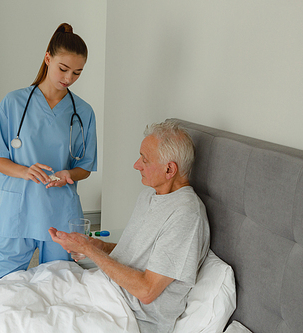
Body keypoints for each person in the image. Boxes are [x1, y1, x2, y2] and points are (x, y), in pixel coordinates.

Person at [49, 120, 210, 333]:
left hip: (128, 314)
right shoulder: (150, 195)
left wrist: (89, 251)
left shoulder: (186, 215)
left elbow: (147, 291)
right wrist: (98, 246)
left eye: (145, 159)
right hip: (105, 289)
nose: (136, 164)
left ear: (169, 169)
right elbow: (139, 254)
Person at [0, 23, 97, 280]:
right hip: (18, 208)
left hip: (60, 211)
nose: (68, 78)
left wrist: (68, 173)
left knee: (59, 283)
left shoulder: (83, 112)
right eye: (63, 69)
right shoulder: (13, 103)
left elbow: (85, 167)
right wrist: (25, 171)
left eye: (77, 73)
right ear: (48, 58)